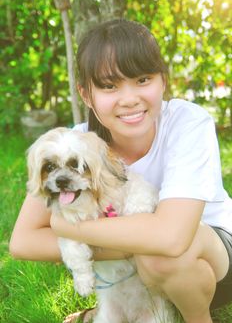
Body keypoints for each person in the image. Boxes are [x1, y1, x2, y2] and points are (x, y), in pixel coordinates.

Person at [10, 19, 232, 323]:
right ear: (86, 95)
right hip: (140, 274)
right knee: (148, 254)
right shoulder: (74, 147)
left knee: (158, 255)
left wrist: (69, 229)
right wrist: (124, 246)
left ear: (162, 81)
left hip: (213, 262)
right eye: (109, 85)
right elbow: (23, 242)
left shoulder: (187, 123)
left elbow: (171, 238)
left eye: (142, 79)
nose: (129, 99)